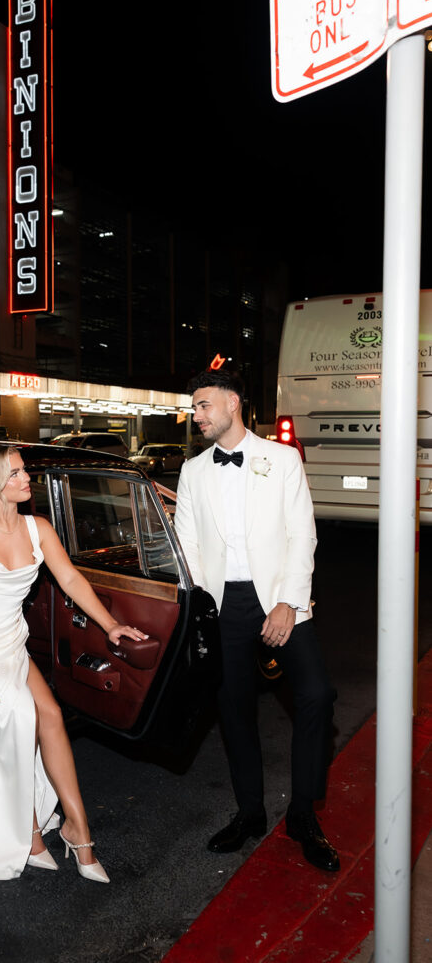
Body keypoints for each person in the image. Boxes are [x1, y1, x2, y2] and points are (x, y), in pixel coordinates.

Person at [0, 440, 147, 883]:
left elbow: (70, 579)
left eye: (24, 470)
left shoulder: (39, 528)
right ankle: (28, 830)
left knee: (50, 714)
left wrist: (109, 627)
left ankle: (77, 827)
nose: (27, 478)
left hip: (11, 637)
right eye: (15, 474)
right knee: (20, 717)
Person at [174, 369, 339, 872]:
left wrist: (289, 601)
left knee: (316, 694)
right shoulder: (193, 472)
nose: (195, 415)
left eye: (202, 405)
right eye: (194, 407)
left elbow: (301, 535)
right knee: (235, 708)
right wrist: (204, 606)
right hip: (224, 606)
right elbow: (188, 546)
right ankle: (250, 812)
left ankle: (303, 815)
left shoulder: (283, 459)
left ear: (231, 402)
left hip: (281, 600)